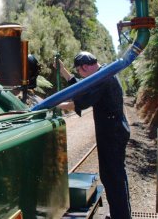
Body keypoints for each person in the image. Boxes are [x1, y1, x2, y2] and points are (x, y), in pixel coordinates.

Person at [55, 51, 131, 219]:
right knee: (113, 176)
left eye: (79, 72)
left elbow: (80, 101)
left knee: (114, 178)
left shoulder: (103, 79)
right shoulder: (103, 73)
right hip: (113, 132)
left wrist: (54, 103)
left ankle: (122, 216)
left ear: (84, 67)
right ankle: (119, 214)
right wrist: (65, 72)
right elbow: (83, 88)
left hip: (112, 135)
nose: (80, 76)